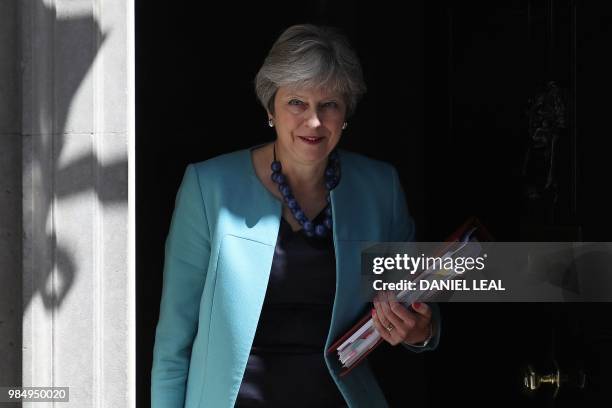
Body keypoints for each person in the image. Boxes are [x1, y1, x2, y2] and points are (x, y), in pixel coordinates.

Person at [151, 24, 440, 408]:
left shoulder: (379, 188)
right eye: (297, 103)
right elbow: (174, 342)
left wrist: (420, 329)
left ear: (346, 113)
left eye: (329, 105)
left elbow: (418, 300)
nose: (314, 121)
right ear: (271, 107)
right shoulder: (208, 186)